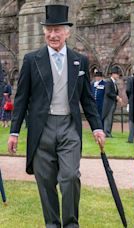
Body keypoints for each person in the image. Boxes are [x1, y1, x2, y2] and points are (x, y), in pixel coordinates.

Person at [7, 5, 105, 227]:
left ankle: (71, 224)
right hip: (42, 129)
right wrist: (14, 132)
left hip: (69, 127)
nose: (53, 35)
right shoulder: (32, 60)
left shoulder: (80, 60)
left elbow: (87, 99)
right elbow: (21, 98)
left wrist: (98, 127)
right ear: (44, 31)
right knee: (46, 181)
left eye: (58, 30)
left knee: (70, 177)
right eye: (49, 30)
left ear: (67, 32)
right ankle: (52, 224)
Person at [102, 66, 122, 138]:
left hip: (112, 103)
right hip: (109, 104)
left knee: (110, 118)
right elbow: (108, 92)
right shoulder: (108, 82)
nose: (118, 76)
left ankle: (108, 132)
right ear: (113, 74)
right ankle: (107, 133)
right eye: (117, 74)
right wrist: (116, 97)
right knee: (108, 118)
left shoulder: (114, 83)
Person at [126, 75, 134, 143]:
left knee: (131, 119)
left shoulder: (130, 79)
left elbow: (127, 90)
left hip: (132, 100)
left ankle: (131, 138)